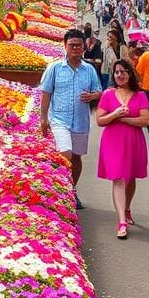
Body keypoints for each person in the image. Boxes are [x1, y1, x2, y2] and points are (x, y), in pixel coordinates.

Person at [40, 28, 103, 210]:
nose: (75, 49)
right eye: (72, 45)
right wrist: (43, 119)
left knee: (76, 157)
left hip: (81, 121)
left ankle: (71, 190)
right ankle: (60, 190)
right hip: (59, 119)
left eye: (78, 46)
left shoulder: (89, 70)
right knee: (65, 152)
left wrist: (92, 96)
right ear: (65, 46)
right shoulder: (54, 68)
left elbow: (99, 91)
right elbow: (46, 93)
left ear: (84, 47)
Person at [96, 59, 149, 239]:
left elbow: (145, 121)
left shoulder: (140, 94)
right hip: (113, 141)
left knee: (130, 176)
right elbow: (100, 120)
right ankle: (121, 221)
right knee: (118, 178)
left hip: (134, 140)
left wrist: (124, 119)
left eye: (123, 72)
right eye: (117, 72)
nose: (120, 75)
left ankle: (126, 208)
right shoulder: (108, 94)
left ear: (130, 74)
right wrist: (115, 114)